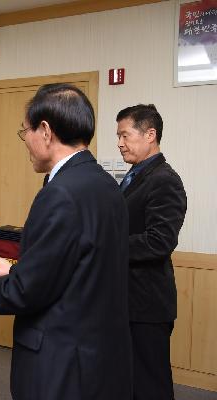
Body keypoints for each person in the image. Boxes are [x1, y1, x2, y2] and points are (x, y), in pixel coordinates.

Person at [0, 84, 132, 400]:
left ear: (46, 131)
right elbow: (76, 269)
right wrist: (12, 271)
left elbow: (28, 293)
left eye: (26, 133)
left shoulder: (59, 194)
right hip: (98, 354)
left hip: (61, 361)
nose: (27, 144)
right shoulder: (105, 184)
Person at [116, 104, 187, 400]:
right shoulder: (134, 175)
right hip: (128, 301)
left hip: (146, 305)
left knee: (150, 386)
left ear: (150, 135)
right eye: (117, 136)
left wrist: (107, 246)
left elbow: (159, 241)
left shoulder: (165, 179)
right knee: (130, 382)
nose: (119, 143)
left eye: (125, 135)